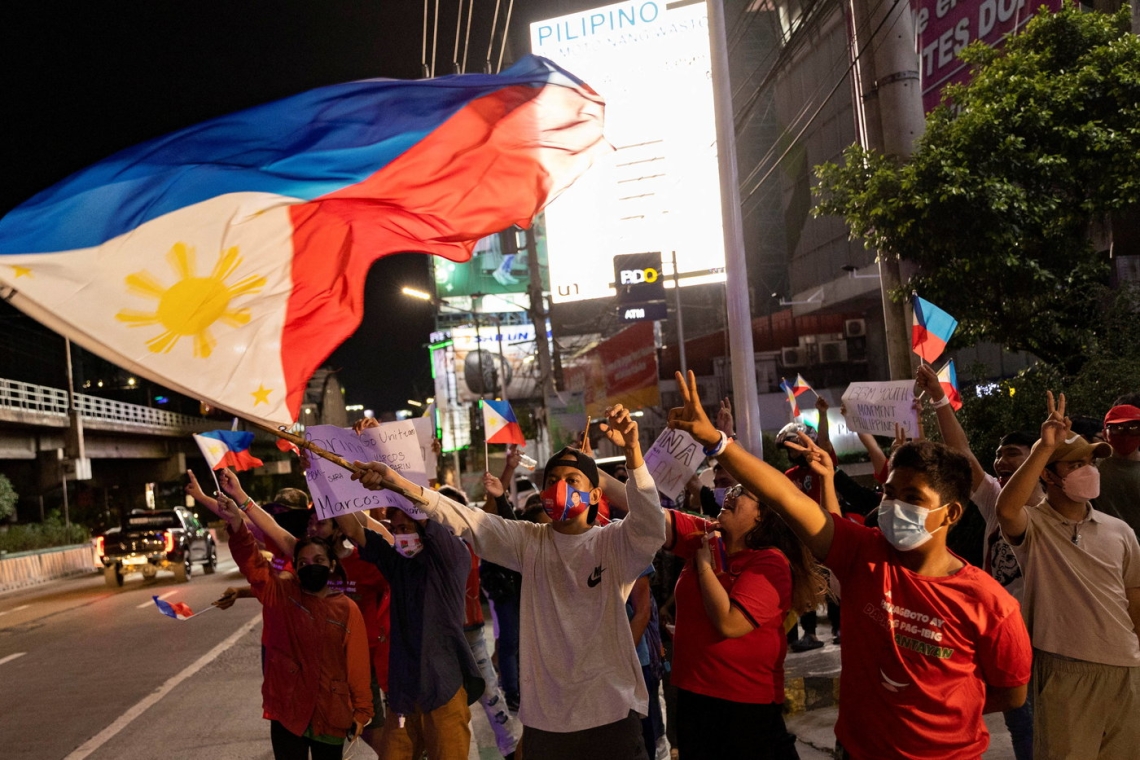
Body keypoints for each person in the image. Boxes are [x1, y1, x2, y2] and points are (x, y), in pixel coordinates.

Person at [668, 370, 1032, 760]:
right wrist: (719, 444)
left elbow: (1011, 691)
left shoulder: (989, 602)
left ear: (951, 513)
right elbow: (786, 498)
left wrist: (944, 704)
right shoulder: (862, 554)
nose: (893, 505)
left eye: (912, 497)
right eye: (890, 492)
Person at [351, 404, 664, 760]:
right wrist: (396, 477)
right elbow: (462, 517)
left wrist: (633, 453)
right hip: (548, 725)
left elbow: (652, 526)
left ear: (595, 495)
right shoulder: (529, 541)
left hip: (611, 716)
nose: (558, 488)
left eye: (571, 480)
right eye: (551, 481)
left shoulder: (614, 544)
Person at [995, 392, 1140, 759]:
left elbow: (1134, 596)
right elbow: (1006, 509)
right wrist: (1043, 448)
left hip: (1127, 669)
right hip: (1064, 671)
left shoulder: (1118, 530)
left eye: (1091, 461)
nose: (1088, 470)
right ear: (1048, 475)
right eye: (1075, 465)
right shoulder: (1036, 527)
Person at [914, 365, 1037, 760]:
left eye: (1011, 454)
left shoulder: (1051, 509)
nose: (1000, 461)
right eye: (998, 455)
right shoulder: (995, 497)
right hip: (1006, 630)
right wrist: (937, 397)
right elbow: (963, 454)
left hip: (1046, 632)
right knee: (1022, 724)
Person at [665, 482, 822, 759]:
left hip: (742, 705)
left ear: (762, 513)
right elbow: (648, 515)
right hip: (694, 694)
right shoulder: (707, 537)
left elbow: (730, 623)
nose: (728, 495)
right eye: (728, 491)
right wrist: (627, 462)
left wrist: (703, 568)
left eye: (740, 493)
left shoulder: (770, 562)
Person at [212, 491, 372, 760]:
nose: (311, 567)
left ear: (332, 564)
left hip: (330, 712)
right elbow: (253, 564)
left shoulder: (347, 610)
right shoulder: (282, 595)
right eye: (303, 563)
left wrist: (362, 711)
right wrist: (237, 524)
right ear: (295, 568)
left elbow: (357, 666)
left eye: (319, 561)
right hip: (288, 710)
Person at [333, 503, 483, 760]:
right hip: (404, 693)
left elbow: (426, 517)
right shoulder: (398, 564)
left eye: (405, 527)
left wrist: (402, 491)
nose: (399, 535)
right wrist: (322, 475)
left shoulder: (452, 557)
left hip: (442, 687)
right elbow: (353, 530)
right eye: (395, 528)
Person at [1096, 404, 1140, 535]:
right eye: (1117, 428)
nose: (1126, 434)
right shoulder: (1092, 469)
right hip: (1107, 548)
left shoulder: (1095, 468)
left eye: (1134, 428)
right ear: (1104, 433)